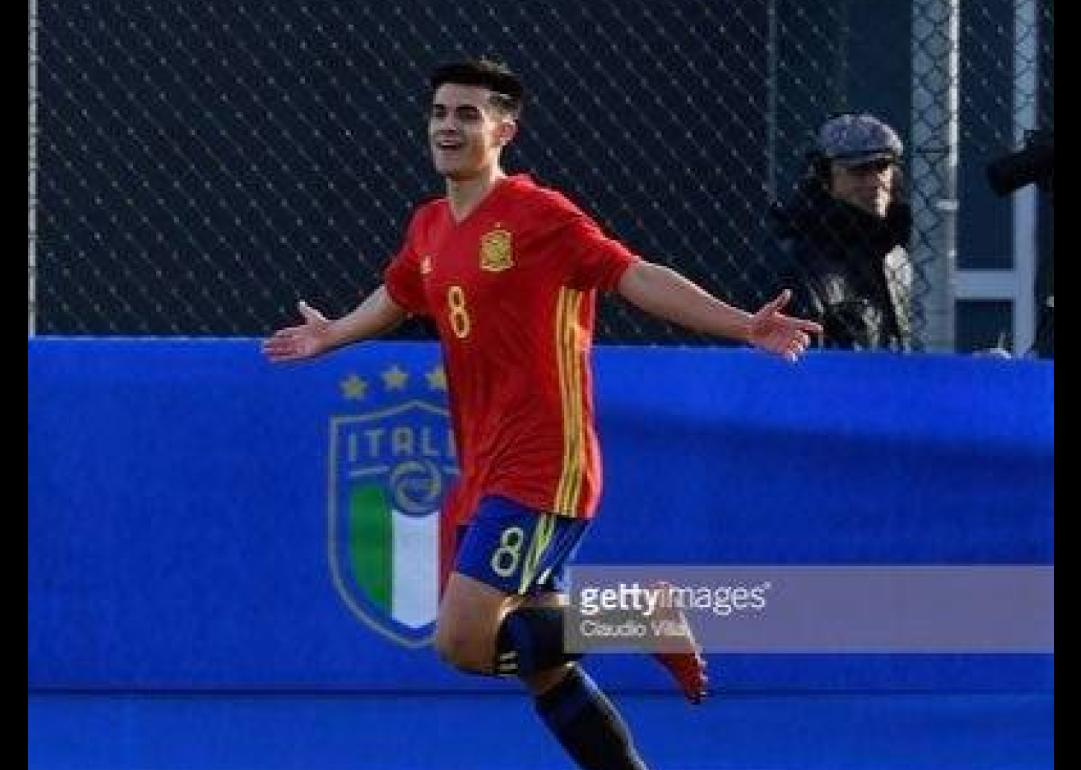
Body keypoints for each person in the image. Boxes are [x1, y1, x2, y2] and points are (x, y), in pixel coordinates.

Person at [264, 58, 822, 770]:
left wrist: (743, 324)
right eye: (439, 113)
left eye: (467, 114)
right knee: (542, 664)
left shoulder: (539, 216)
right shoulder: (430, 226)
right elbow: (401, 293)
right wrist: (332, 333)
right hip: (485, 464)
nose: (448, 127)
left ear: (505, 129)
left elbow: (634, 274)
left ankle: (634, 615)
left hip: (544, 461)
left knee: (462, 641)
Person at [766, 112, 914, 351]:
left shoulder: (893, 254)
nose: (874, 181)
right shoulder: (803, 260)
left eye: (882, 166)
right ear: (825, 179)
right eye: (859, 170)